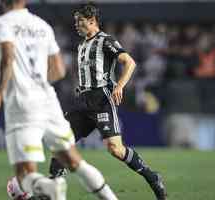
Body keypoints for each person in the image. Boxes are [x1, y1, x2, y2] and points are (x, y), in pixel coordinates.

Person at [0, 0, 118, 200]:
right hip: (48, 101)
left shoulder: (0, 24)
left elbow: (7, 58)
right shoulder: (42, 25)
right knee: (75, 162)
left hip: (22, 103)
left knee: (24, 174)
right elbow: (59, 70)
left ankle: (51, 188)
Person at [49, 2, 167, 200]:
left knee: (115, 149)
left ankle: (152, 176)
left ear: (92, 21)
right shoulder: (82, 45)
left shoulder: (105, 40)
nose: (76, 24)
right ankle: (52, 190)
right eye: (75, 21)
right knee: (61, 142)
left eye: (80, 21)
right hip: (83, 101)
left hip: (102, 99)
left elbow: (129, 62)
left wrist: (119, 86)